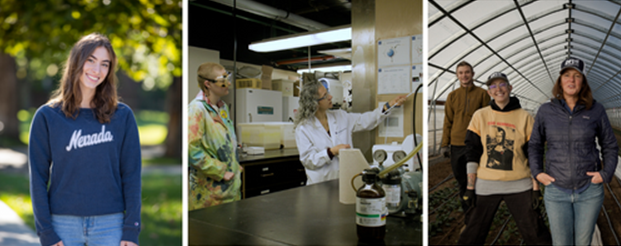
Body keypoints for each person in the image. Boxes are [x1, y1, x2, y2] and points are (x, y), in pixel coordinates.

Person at [28, 33, 141, 246]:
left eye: (104, 64)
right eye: (90, 60)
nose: (96, 71)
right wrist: (46, 232)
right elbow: (38, 178)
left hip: (111, 224)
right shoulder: (47, 116)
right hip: (62, 224)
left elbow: (132, 175)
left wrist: (131, 229)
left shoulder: (122, 116)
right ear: (76, 62)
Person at [530, 57, 618, 245]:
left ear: (583, 82)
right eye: (567, 75)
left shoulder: (595, 109)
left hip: (589, 190)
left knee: (583, 242)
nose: (572, 80)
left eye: (577, 76)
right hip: (556, 190)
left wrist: (606, 173)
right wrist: (537, 173)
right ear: (560, 81)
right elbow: (535, 145)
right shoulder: (546, 111)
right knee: (561, 243)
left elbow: (609, 144)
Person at [457, 72, 551, 245]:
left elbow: (534, 154)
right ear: (489, 92)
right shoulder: (480, 116)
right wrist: (470, 187)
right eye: (493, 86)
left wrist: (535, 189)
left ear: (510, 88)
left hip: (520, 184)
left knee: (536, 233)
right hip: (486, 184)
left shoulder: (525, 117)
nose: (498, 89)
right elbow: (472, 152)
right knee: (472, 233)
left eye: (502, 85)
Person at [294, 80, 407, 185]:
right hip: (320, 185)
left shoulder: (340, 116)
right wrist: (331, 152)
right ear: (315, 103)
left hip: (344, 181)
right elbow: (308, 160)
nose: (330, 96)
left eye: (328, 92)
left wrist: (388, 106)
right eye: (325, 96)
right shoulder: (303, 128)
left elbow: (364, 120)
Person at [188, 62, 242, 210]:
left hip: (230, 192)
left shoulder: (222, 107)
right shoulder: (196, 110)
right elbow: (191, 150)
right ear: (208, 84)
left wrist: (234, 163)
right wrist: (221, 170)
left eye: (228, 77)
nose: (228, 83)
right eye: (223, 79)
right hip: (209, 196)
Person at [440, 61, 491, 213]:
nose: (464, 75)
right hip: (457, 144)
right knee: (462, 180)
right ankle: (468, 213)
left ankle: (479, 211)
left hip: (476, 144)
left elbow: (487, 120)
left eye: (467, 72)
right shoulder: (452, 96)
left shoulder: (482, 94)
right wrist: (445, 144)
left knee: (477, 180)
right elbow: (448, 120)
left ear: (472, 74)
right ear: (457, 76)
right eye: (461, 73)